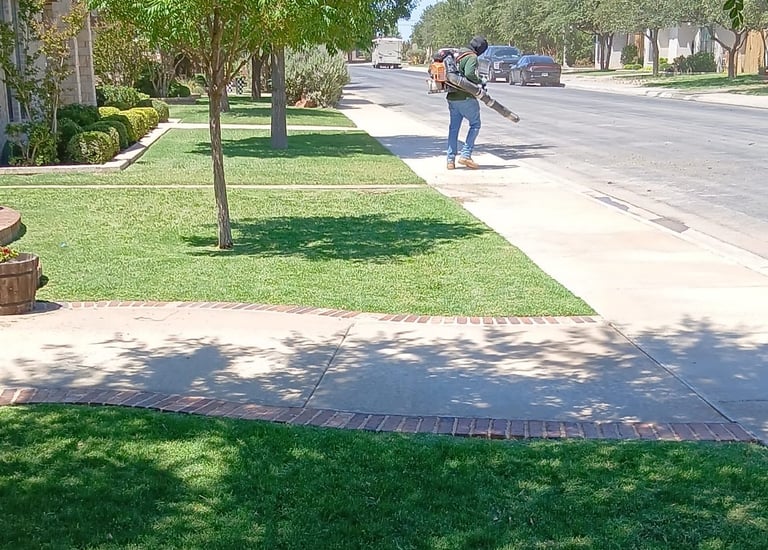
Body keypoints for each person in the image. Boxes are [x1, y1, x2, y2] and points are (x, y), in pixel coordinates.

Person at [445, 36, 488, 170]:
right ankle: (466, 155)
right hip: (466, 97)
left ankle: (450, 160)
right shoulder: (471, 57)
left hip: (452, 98)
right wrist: (480, 80)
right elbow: (469, 74)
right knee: (475, 124)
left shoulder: (457, 54)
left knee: (453, 128)